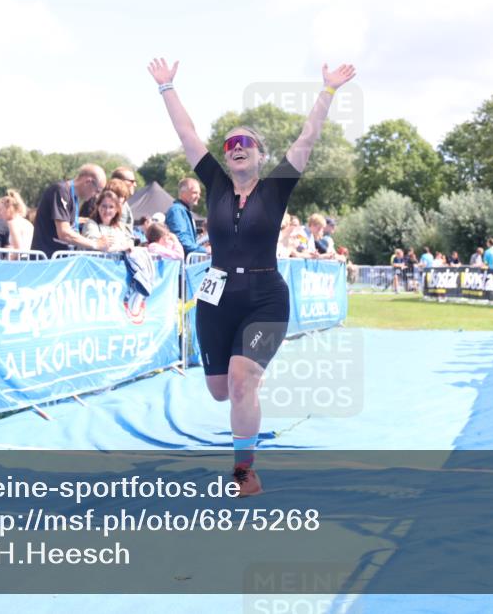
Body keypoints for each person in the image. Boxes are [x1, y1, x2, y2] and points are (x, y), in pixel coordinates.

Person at [149, 56, 355, 495]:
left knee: (243, 381)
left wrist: (328, 90)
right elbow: (187, 134)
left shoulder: (276, 187)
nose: (236, 146)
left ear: (260, 154)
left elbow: (307, 138)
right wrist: (167, 87)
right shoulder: (217, 186)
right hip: (216, 297)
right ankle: (247, 390)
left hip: (265, 296)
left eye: (245, 142)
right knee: (220, 391)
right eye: (229, 144)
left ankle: (244, 470)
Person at [31, 163, 107, 257]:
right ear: (88, 182)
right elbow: (64, 233)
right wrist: (96, 244)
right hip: (47, 262)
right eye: (97, 191)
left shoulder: (73, 197)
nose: (96, 196)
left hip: (60, 260)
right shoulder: (60, 191)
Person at [166, 177, 208, 257]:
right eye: (195, 193)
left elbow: (189, 241)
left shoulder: (183, 211)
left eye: (199, 193)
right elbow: (182, 240)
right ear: (183, 193)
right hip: (182, 264)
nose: (198, 196)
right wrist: (204, 250)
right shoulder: (177, 211)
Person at [112, 166, 138, 231]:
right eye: (132, 181)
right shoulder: (115, 202)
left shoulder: (123, 202)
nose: (135, 185)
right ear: (120, 181)